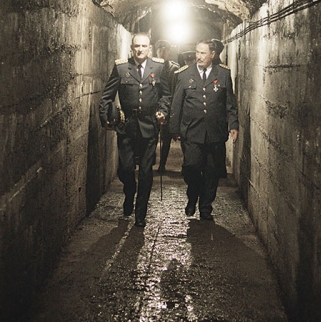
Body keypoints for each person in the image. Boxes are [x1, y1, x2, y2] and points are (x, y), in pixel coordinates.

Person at [99, 33, 171, 227]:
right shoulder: (121, 68)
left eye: (144, 46)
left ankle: (141, 213)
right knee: (125, 168)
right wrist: (105, 118)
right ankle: (129, 192)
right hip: (127, 125)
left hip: (149, 126)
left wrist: (163, 111)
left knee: (146, 172)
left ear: (150, 48)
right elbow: (107, 96)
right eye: (137, 46)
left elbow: (166, 94)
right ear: (131, 48)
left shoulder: (159, 67)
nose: (140, 49)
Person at [170, 39, 238, 220]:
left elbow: (230, 103)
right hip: (192, 131)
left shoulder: (223, 73)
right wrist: (174, 128)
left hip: (215, 131)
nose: (198, 56)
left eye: (203, 53)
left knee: (212, 171)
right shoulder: (185, 74)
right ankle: (193, 193)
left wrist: (233, 125)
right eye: (197, 52)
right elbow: (177, 103)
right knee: (191, 166)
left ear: (212, 55)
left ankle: (206, 207)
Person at [154, 40, 180, 172]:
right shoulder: (151, 67)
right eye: (160, 50)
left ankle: (162, 164)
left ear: (168, 52)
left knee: (166, 138)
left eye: (164, 50)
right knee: (152, 137)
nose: (162, 53)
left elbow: (175, 90)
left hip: (168, 107)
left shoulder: (174, 69)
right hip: (153, 107)